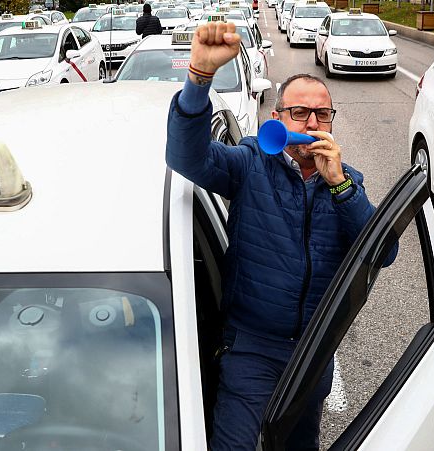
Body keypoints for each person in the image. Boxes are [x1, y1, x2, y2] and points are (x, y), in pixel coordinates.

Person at [165, 21, 397, 450]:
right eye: (299, 113)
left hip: (312, 350)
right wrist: (198, 79)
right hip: (252, 345)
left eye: (321, 113)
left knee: (297, 443)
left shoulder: (347, 183)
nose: (310, 123)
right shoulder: (251, 163)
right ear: (278, 118)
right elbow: (186, 155)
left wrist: (341, 185)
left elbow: (383, 251)